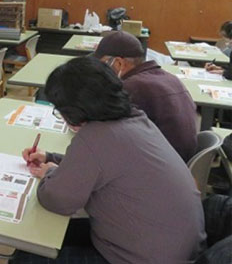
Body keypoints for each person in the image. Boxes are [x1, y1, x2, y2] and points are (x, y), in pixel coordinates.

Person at [14, 57, 206, 264]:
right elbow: (100, 165)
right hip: (172, 247)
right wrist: (51, 158)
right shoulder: (136, 118)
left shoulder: (96, 137)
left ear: (73, 111)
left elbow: (56, 200)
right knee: (48, 236)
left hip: (142, 257)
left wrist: (50, 173)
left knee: (29, 253)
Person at [94, 31, 197, 161]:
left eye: (103, 64)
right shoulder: (169, 77)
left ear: (119, 63)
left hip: (157, 167)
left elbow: (106, 131)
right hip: (179, 162)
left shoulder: (132, 87)